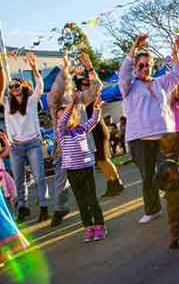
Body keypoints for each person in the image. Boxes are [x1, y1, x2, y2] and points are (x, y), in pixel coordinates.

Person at [119, 34, 179, 224]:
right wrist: (133, 49)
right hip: (139, 138)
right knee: (147, 176)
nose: (145, 68)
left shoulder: (160, 82)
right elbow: (123, 73)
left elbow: (177, 74)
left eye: (148, 65)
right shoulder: (128, 85)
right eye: (141, 65)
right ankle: (152, 209)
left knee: (168, 172)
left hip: (164, 135)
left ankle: (176, 207)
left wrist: (176, 53)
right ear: (135, 67)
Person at [47, 52, 104, 226]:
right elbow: (55, 90)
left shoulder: (79, 99)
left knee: (88, 191)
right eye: (66, 83)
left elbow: (96, 87)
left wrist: (89, 67)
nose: (68, 86)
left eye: (70, 84)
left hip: (84, 152)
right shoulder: (54, 103)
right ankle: (60, 209)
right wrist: (65, 69)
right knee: (61, 182)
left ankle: (94, 219)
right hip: (64, 152)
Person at [1, 52, 49, 223]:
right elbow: (1, 87)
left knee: (39, 176)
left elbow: (40, 86)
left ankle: (44, 206)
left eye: (17, 86)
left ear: (22, 86)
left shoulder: (31, 100)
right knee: (19, 179)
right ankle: (23, 207)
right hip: (16, 147)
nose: (14, 89)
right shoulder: (7, 104)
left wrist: (34, 67)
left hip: (33, 143)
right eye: (12, 87)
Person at [55, 91, 107, 242]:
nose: (63, 119)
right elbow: (63, 120)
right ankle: (88, 227)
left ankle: (100, 226)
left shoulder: (82, 129)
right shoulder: (61, 132)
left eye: (67, 115)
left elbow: (94, 120)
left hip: (87, 169)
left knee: (92, 199)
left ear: (75, 116)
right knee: (82, 201)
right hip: (72, 171)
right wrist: (70, 105)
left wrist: (97, 107)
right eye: (60, 118)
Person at [0, 131, 17, 218]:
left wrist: (4, 138)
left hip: (3, 177)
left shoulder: (0, 156)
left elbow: (9, 148)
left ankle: (12, 215)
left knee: (9, 198)